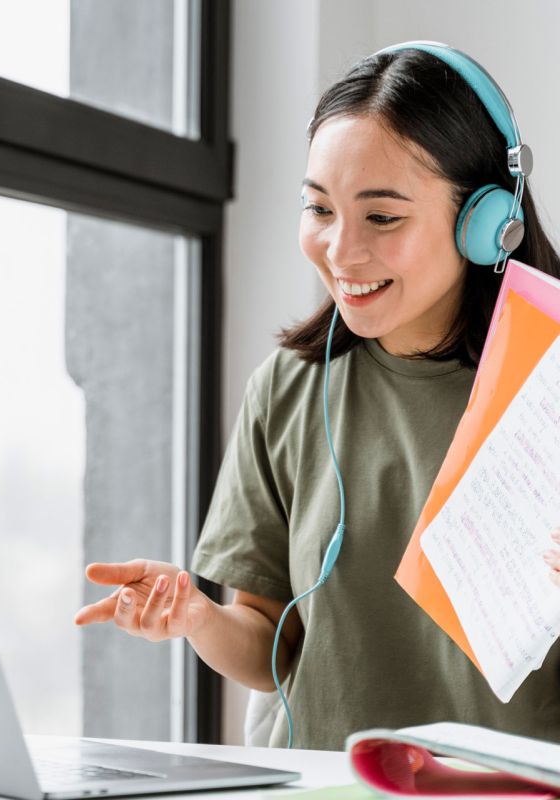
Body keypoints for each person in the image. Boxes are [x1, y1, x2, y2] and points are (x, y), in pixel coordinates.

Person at [74, 43, 560, 750]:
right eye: (318, 208)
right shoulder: (290, 388)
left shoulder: (546, 385)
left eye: (382, 218)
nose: (339, 249)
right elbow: (269, 645)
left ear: (487, 223)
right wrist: (196, 618)